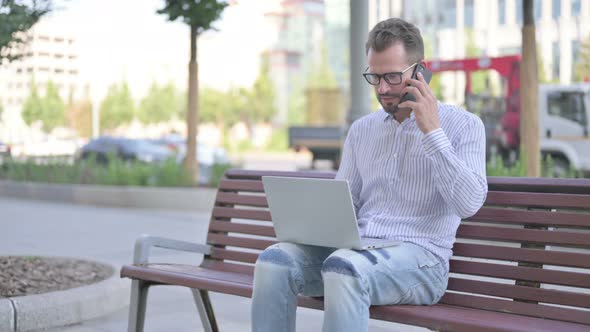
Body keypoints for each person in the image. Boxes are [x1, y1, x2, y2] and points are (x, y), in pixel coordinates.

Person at [251, 17, 487, 332]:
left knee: (344, 268)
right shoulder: (362, 130)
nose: (383, 89)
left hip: (423, 261)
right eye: (374, 77)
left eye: (392, 76)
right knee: (274, 262)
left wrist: (432, 132)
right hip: (359, 251)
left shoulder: (465, 126)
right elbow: (348, 201)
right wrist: (314, 224)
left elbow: (469, 203)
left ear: (420, 71)